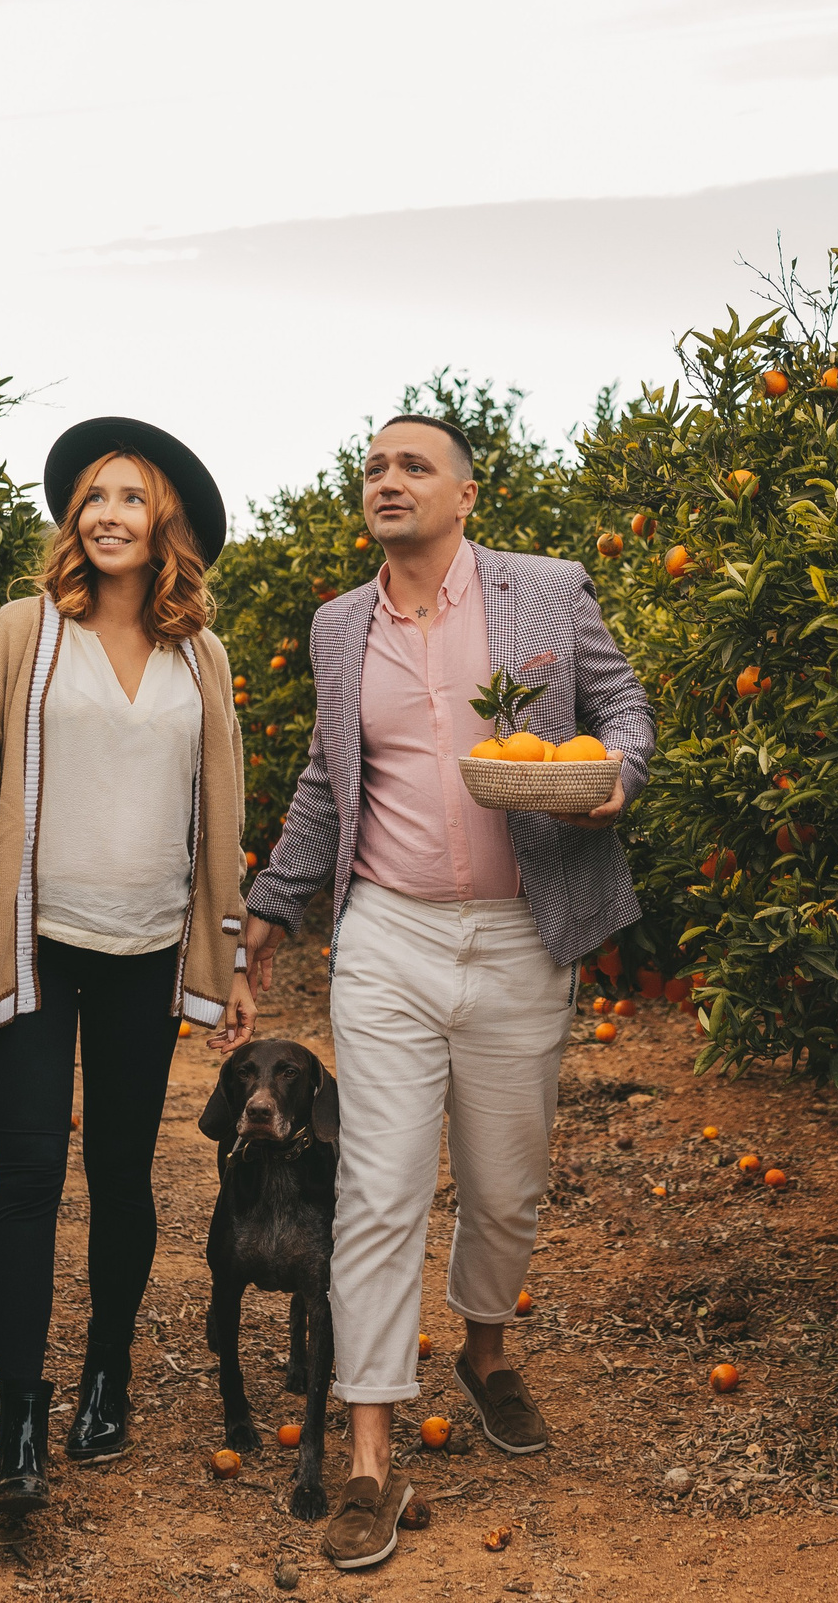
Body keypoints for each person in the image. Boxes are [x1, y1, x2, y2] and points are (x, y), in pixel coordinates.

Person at [239, 413, 654, 1571]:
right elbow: (328, 777)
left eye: (413, 465)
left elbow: (625, 711)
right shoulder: (337, 625)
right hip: (389, 936)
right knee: (376, 1186)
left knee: (505, 1181)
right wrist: (273, 905)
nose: (387, 480)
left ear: (466, 494)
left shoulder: (544, 592)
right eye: (373, 466)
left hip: (524, 929)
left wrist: (614, 768)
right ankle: (370, 1448)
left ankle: (483, 1345)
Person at [0, 416, 257, 1514]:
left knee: (122, 1176)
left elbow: (222, 815)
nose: (109, 512)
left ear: (165, 522)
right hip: (35, 944)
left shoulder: (199, 654)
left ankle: (107, 1369)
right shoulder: (24, 631)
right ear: (73, 519)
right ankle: (19, 1417)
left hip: (149, 946)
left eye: (132, 497)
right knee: (27, 1177)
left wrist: (227, 947)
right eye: (94, 496)